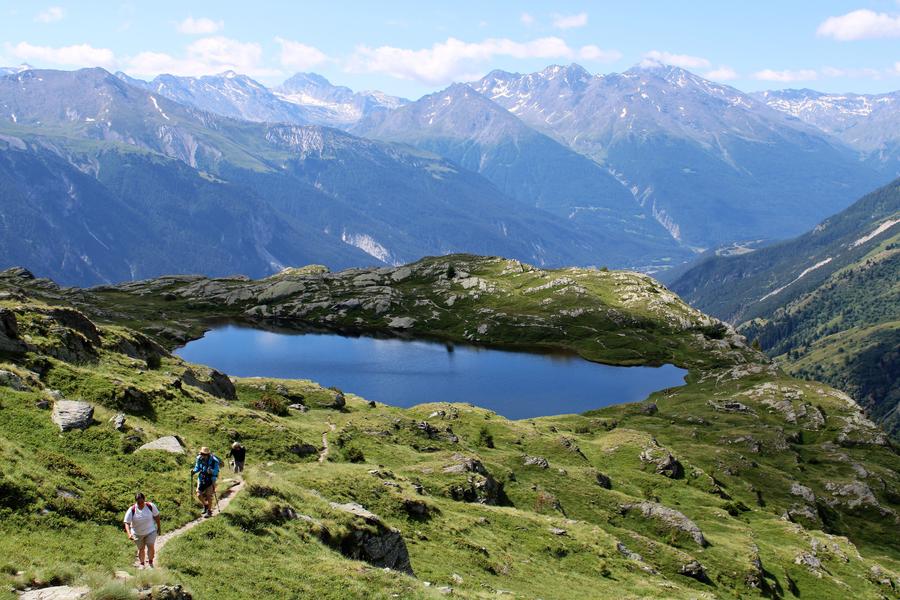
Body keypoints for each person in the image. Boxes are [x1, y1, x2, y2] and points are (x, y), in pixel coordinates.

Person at [123, 492, 161, 569]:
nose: (140, 503)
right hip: (137, 533)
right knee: (141, 549)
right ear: (136, 501)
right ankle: (142, 564)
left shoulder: (150, 506)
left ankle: (150, 563)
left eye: (141, 501)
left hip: (150, 531)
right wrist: (129, 534)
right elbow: (127, 522)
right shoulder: (132, 509)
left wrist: (159, 527)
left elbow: (157, 516)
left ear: (144, 499)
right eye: (138, 502)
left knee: (150, 545)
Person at [191, 446, 220, 518]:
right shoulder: (199, 458)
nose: (202, 455)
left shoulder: (214, 461)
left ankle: (209, 511)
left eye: (204, 454)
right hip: (202, 477)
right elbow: (198, 467)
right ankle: (205, 505)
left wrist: (211, 471)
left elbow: (216, 471)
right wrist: (194, 471)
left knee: (209, 495)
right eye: (202, 453)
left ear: (208, 454)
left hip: (211, 478)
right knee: (198, 494)